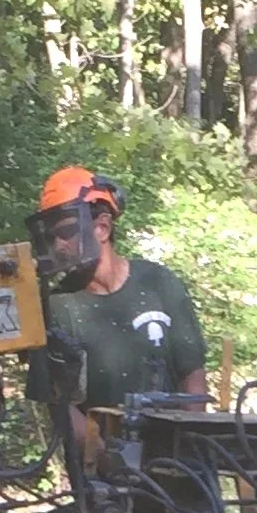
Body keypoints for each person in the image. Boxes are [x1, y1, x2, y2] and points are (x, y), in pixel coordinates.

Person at [32, 166, 207, 408]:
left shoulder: (158, 283)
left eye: (66, 231)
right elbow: (61, 403)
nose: (59, 245)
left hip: (171, 429)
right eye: (52, 237)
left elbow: (193, 376)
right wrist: (95, 435)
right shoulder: (57, 305)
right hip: (100, 432)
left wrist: (188, 427)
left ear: (102, 228)